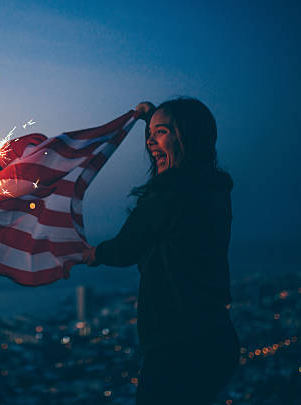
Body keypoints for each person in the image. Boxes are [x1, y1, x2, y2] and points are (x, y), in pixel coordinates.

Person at [82, 98, 239, 404]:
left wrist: (91, 254)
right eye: (150, 133)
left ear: (187, 137)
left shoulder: (170, 192)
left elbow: (124, 249)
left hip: (179, 348)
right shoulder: (213, 187)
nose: (150, 141)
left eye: (161, 132)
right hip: (216, 338)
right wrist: (152, 117)